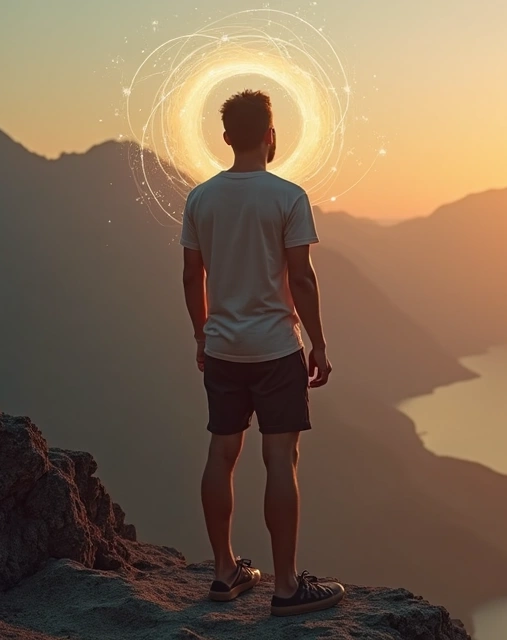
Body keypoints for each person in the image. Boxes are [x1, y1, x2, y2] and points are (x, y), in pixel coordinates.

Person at [180, 89, 344, 617]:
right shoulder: (288, 197)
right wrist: (318, 342)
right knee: (280, 459)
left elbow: (191, 275)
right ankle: (287, 586)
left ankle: (224, 571)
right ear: (271, 136)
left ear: (226, 137)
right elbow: (301, 276)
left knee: (221, 454)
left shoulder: (201, 198)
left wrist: (203, 335)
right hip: (276, 349)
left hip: (224, 348)